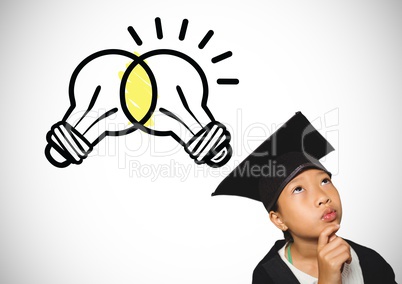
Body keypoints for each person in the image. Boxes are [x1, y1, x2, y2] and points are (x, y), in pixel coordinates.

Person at [212, 112, 396, 284]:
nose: (323, 197)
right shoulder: (268, 276)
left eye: (325, 181)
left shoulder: (369, 261)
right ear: (278, 219)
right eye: (298, 189)